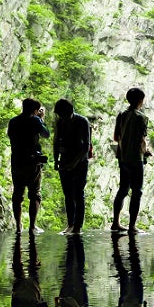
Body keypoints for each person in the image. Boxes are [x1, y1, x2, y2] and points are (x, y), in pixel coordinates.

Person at [6, 97, 50, 233]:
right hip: (32, 162)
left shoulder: (13, 121)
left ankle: (18, 226)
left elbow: (11, 137)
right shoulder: (35, 120)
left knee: (18, 193)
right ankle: (32, 226)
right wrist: (41, 119)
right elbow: (46, 134)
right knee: (35, 193)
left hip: (17, 160)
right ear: (35, 110)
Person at [111, 87, 151, 233]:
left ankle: (115, 222)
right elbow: (142, 140)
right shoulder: (141, 117)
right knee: (136, 191)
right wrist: (146, 151)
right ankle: (132, 226)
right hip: (136, 159)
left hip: (123, 157)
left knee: (122, 190)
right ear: (140, 101)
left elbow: (116, 137)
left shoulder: (121, 115)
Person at [52, 98, 93, 235]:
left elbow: (86, 146)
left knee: (78, 193)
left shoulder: (82, 121)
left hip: (80, 162)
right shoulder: (60, 122)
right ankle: (70, 224)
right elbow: (56, 141)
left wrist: (73, 163)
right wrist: (55, 160)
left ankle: (77, 226)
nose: (61, 118)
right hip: (64, 160)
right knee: (68, 194)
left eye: (62, 115)